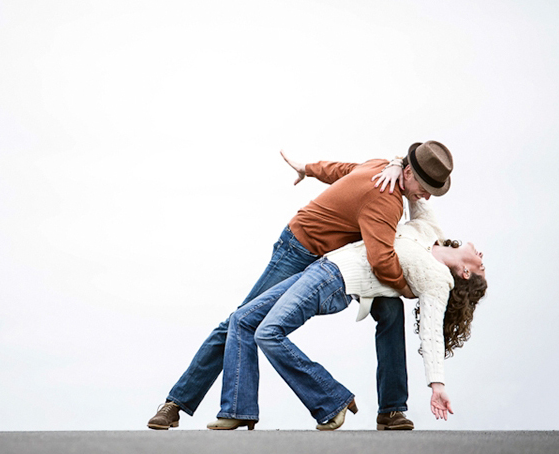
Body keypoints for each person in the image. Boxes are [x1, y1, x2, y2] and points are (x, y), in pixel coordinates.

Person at [147, 141, 454, 431]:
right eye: (425, 189)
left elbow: (340, 171)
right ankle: (177, 403)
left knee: (391, 312)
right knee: (241, 321)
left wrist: (309, 168)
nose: (426, 197)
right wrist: (408, 288)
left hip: (340, 260)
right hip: (299, 250)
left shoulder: (380, 166)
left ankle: (392, 409)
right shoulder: (386, 200)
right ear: (408, 173)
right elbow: (382, 262)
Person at [208, 199, 487, 431]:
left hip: (336, 281)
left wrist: (437, 384)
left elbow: (431, 332)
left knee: (268, 333)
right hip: (324, 264)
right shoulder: (431, 229)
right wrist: (394, 164)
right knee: (242, 318)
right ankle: (238, 409)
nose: (482, 255)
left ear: (465, 273)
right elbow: (417, 184)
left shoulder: (437, 279)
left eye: (482, 267)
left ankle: (331, 400)